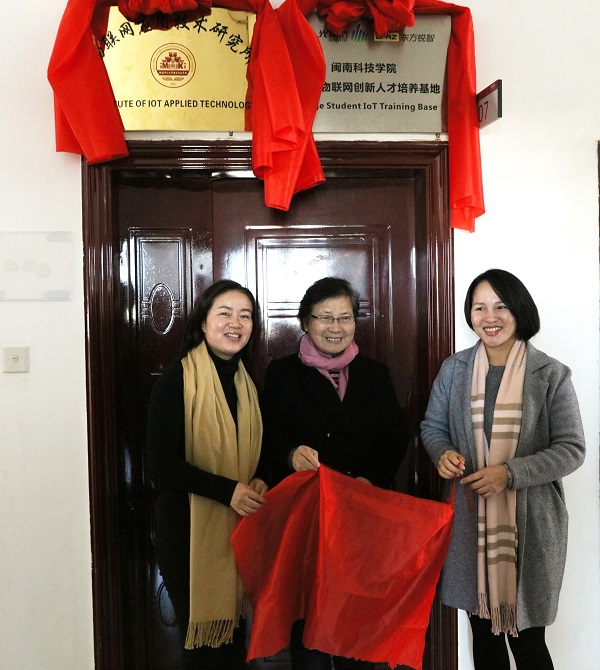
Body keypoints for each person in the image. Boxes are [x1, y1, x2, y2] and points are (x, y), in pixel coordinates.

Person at [420, 269, 585, 670]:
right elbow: (433, 427)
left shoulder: (550, 374)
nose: (489, 317)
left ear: (519, 311)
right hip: (469, 522)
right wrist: (442, 453)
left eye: (500, 306)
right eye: (479, 308)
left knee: (528, 642)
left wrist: (509, 473)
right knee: (483, 637)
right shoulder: (454, 369)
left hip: (531, 526)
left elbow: (571, 449)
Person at [261, 276, 409, 670]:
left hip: (362, 514)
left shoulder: (374, 373)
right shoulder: (283, 374)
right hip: (308, 517)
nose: (335, 327)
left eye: (344, 317)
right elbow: (267, 438)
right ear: (305, 321)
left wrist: (369, 479)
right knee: (309, 620)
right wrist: (290, 454)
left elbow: (395, 437)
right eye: (325, 317)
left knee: (356, 623)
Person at [146, 279, 268, 670]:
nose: (236, 323)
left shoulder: (247, 382)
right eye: (225, 313)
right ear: (203, 322)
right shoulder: (177, 379)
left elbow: (255, 453)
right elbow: (160, 463)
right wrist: (228, 490)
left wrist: (260, 479)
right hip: (187, 533)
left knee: (233, 645)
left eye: (245, 316)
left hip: (239, 530)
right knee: (203, 653)